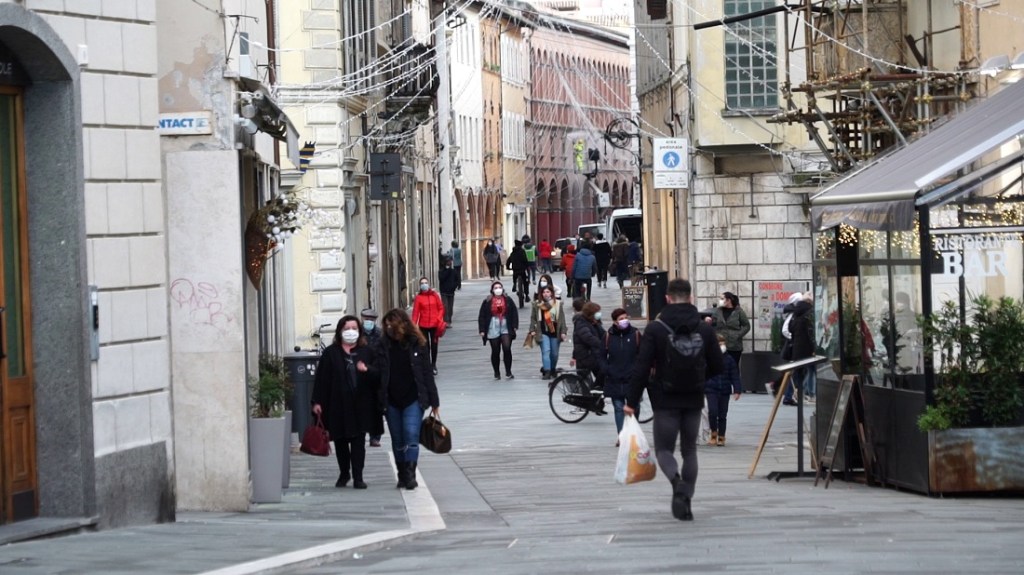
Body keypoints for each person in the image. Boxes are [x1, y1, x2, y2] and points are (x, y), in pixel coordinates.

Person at [625, 278, 724, 521]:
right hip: (693, 396)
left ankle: (676, 482)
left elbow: (641, 366)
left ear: (668, 298)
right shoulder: (705, 329)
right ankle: (686, 500)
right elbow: (718, 366)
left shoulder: (656, 328)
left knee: (664, 450)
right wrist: (700, 377)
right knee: (690, 451)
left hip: (665, 398)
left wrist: (631, 400)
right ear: (690, 298)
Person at [311, 316, 383, 489]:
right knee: (340, 440)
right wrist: (317, 401)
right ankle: (344, 473)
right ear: (340, 331)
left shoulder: (367, 351)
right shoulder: (331, 353)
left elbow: (378, 375)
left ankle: (358, 476)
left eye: (354, 328)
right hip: (337, 404)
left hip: (361, 404)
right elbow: (322, 379)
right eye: (347, 328)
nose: (351, 331)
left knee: (359, 441)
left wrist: (367, 370)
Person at [377, 308, 439, 490]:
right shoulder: (382, 346)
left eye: (392, 324)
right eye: (386, 325)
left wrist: (434, 401)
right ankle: (402, 473)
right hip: (391, 400)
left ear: (403, 324)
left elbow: (427, 373)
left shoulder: (417, 344)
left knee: (411, 434)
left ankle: (410, 474)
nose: (389, 328)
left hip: (414, 398)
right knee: (397, 439)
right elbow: (377, 372)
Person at [605, 308, 642, 441]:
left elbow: (642, 354)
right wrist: (607, 369)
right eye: (621, 319)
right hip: (614, 377)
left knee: (635, 406)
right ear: (615, 322)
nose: (624, 321)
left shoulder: (635, 334)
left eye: (625, 318)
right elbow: (601, 355)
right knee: (618, 408)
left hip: (632, 377)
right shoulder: (609, 335)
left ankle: (633, 434)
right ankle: (622, 437)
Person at [478, 281, 519, 380]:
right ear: (492, 290)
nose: (498, 289)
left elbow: (514, 312)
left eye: (499, 287)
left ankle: (508, 372)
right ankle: (496, 372)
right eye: (495, 287)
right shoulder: (487, 301)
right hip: (493, 325)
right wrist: (482, 330)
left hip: (505, 325)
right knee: (495, 350)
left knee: (507, 348)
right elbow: (482, 316)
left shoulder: (508, 300)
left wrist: (514, 325)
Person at [705, 334, 741, 446]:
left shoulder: (729, 359)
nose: (722, 346)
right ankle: (713, 433)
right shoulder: (708, 358)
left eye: (723, 343)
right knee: (712, 412)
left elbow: (735, 375)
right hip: (711, 389)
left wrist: (737, 390)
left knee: (722, 415)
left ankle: (722, 436)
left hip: (725, 390)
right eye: (719, 344)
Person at [528, 285, 568, 379]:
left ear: (552, 293)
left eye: (548, 292)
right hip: (543, 331)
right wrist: (532, 330)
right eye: (544, 292)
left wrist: (563, 331)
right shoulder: (537, 304)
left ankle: (552, 368)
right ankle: (547, 371)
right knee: (546, 351)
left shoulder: (557, 304)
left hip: (555, 332)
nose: (546, 294)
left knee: (554, 353)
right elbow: (533, 318)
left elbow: (562, 319)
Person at [412, 276, 445, 375]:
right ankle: (427, 365)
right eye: (422, 283)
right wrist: (413, 326)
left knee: (434, 346)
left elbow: (441, 308)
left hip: (435, 325)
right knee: (425, 346)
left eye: (425, 282)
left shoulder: (435, 295)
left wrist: (439, 318)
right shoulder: (418, 298)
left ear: (429, 284)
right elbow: (415, 312)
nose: (424, 285)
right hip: (423, 325)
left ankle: (433, 364)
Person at [360, 308, 384, 447]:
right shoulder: (357, 334)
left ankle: (375, 437)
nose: (368, 322)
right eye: (366, 319)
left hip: (375, 374)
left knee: (376, 407)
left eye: (371, 319)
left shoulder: (380, 335)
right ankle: (361, 432)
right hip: (360, 374)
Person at [572, 301, 606, 397]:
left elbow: (604, 334)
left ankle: (596, 396)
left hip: (592, 353)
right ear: (591, 314)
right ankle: (595, 389)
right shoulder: (581, 323)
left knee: (602, 373)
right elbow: (589, 338)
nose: (599, 314)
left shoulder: (594, 323)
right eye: (597, 312)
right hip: (585, 355)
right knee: (603, 368)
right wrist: (603, 345)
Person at [707, 291, 750, 367]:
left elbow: (747, 326)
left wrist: (738, 335)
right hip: (721, 344)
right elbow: (713, 323)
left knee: (733, 368)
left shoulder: (738, 311)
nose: (720, 300)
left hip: (734, 346)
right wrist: (708, 320)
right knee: (721, 368)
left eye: (722, 298)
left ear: (728, 300)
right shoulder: (718, 311)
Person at [788, 291, 816, 402]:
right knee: (811, 370)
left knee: (807, 371)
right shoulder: (809, 313)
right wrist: (814, 347)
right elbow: (811, 333)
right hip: (807, 348)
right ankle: (807, 393)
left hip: (798, 347)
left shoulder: (797, 312)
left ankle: (801, 391)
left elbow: (791, 328)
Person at [505, 239, 529, 305]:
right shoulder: (522, 251)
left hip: (515, 270)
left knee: (515, 277)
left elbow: (508, 260)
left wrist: (507, 267)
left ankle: (514, 284)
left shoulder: (513, 253)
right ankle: (526, 296)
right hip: (522, 270)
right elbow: (525, 260)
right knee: (525, 282)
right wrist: (527, 266)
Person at [439, 258, 458, 327]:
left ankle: (449, 320)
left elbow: (457, 279)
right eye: (448, 261)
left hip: (451, 292)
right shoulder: (442, 271)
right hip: (444, 292)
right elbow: (441, 278)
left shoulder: (453, 271)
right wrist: (447, 271)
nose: (450, 263)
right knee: (445, 307)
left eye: (450, 261)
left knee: (450, 307)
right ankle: (445, 321)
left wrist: (455, 286)